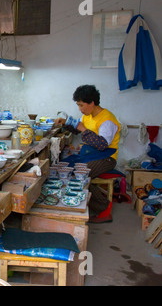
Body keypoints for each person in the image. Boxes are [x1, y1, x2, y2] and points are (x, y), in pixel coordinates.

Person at [55, 85, 121, 223]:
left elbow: (102, 145)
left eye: (81, 105)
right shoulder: (88, 115)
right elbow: (78, 130)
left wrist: (83, 128)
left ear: (91, 102)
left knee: (81, 174)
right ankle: (73, 203)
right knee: (65, 167)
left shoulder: (107, 119)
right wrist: (66, 124)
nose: (80, 109)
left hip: (106, 157)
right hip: (91, 154)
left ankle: (104, 210)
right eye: (78, 105)